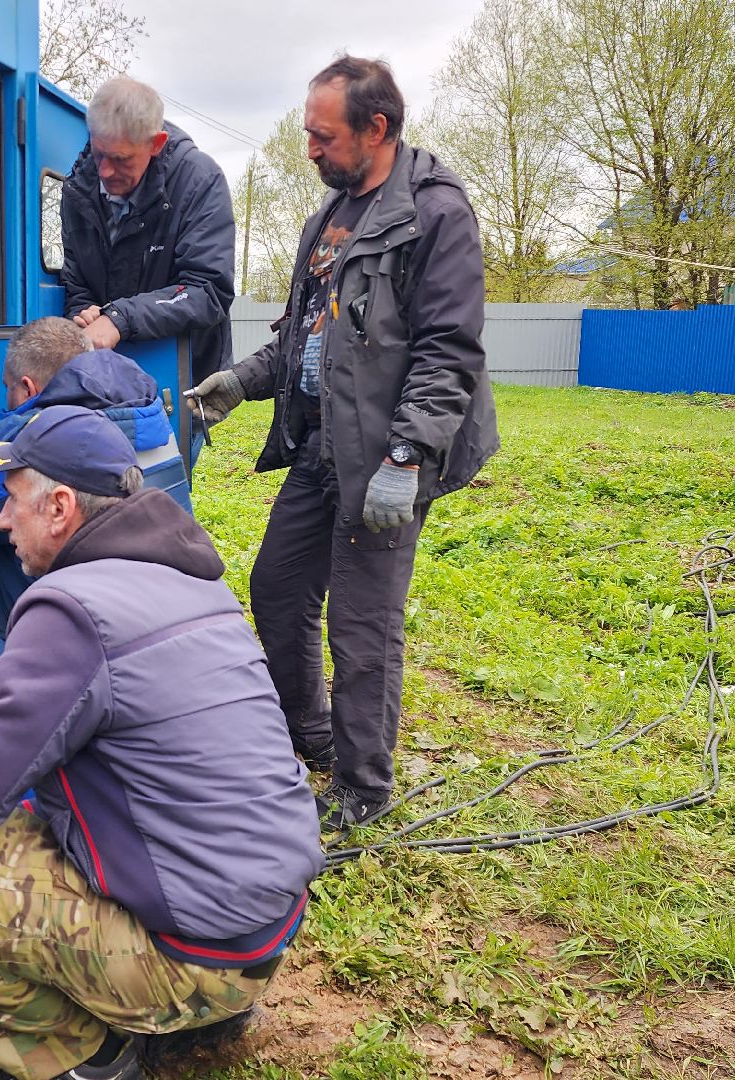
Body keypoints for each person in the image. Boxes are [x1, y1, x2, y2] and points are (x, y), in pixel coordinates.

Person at [0, 406, 323, 1080]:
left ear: (58, 507)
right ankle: (211, 1019)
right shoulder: (187, 578)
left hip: (193, 958)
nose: (0, 521)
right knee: (25, 817)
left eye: (10, 500)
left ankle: (84, 1060)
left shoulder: (72, 610)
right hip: (262, 926)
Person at [186, 56, 499, 831]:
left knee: (363, 625)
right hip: (325, 443)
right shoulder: (326, 219)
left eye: (323, 137)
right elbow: (305, 337)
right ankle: (309, 732)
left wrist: (407, 457)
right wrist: (242, 380)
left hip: (387, 454)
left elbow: (448, 349)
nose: (311, 150)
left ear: (376, 127)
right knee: (278, 587)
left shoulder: (435, 213)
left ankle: (363, 787)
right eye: (307, 135)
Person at [0, 318, 186, 748]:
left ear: (30, 390)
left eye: (9, 390)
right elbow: (12, 440)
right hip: (145, 638)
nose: (7, 400)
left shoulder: (53, 437)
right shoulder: (138, 410)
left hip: (67, 662)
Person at [60, 76, 236, 400]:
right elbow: (77, 283)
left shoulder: (199, 181)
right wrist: (85, 311)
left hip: (180, 378)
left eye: (122, 159)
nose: (105, 172)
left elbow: (208, 289)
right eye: (100, 155)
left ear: (156, 144)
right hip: (103, 381)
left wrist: (119, 318)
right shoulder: (78, 191)